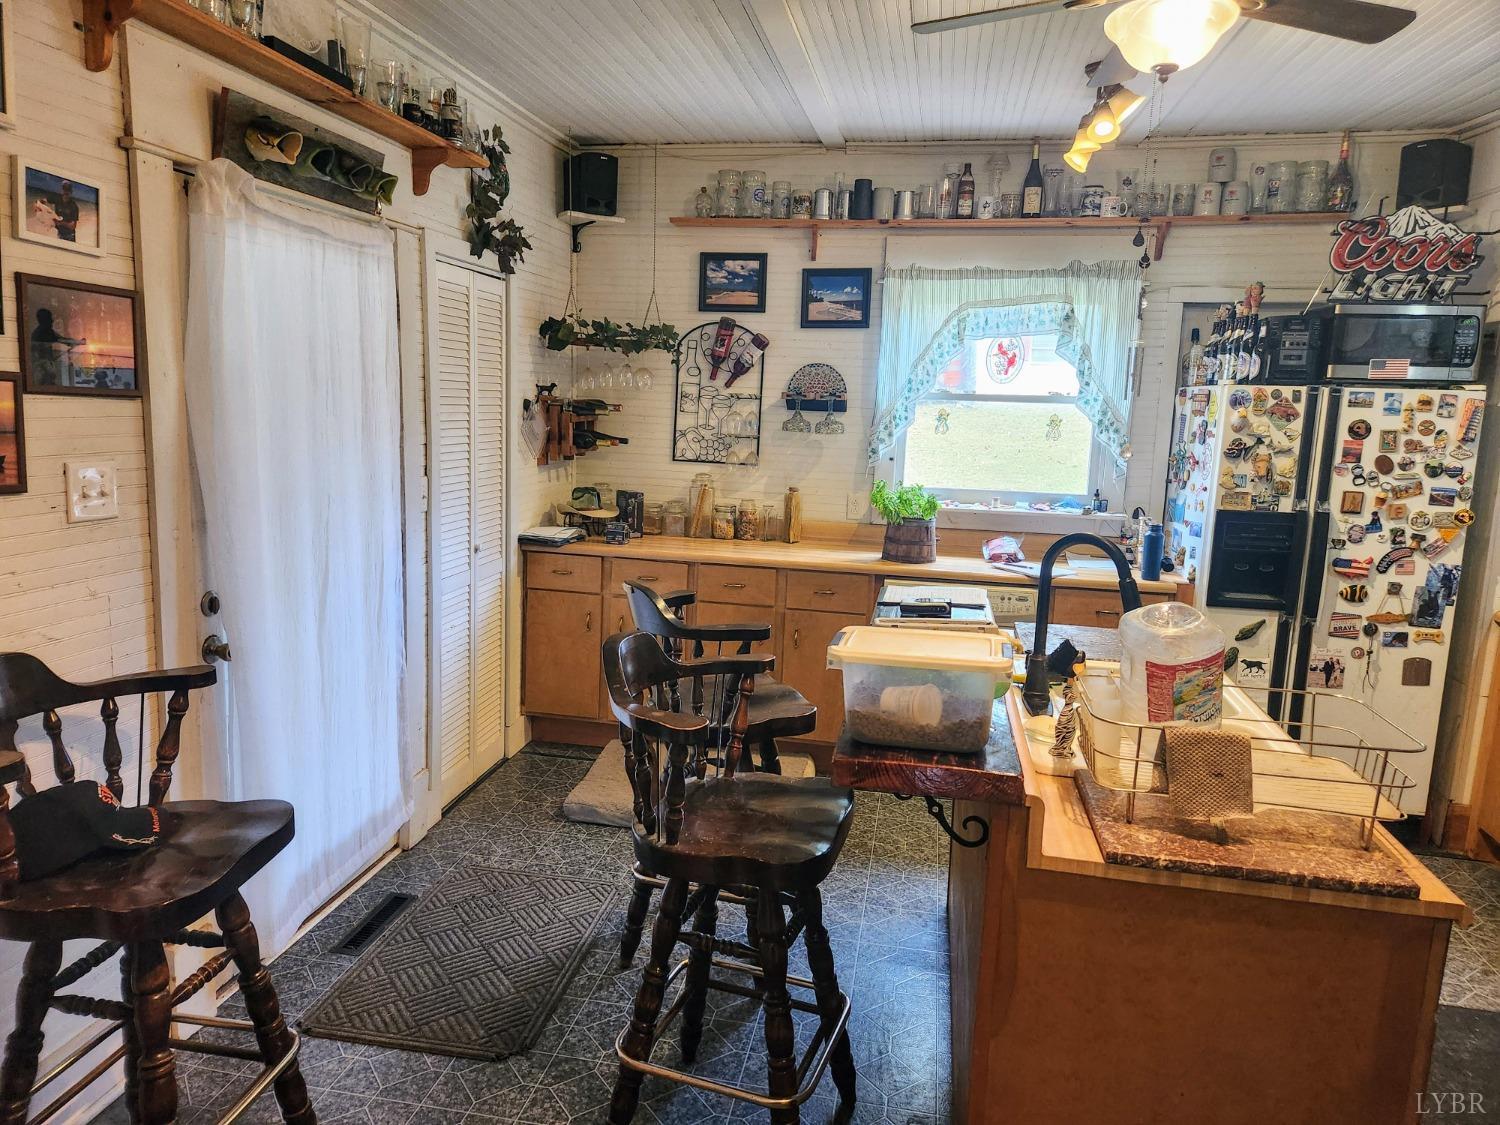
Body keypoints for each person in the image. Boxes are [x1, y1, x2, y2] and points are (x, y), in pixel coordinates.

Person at [29, 308, 86, 388]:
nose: (52, 321)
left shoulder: (39, 332)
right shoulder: (45, 332)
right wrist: (79, 342)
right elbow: (64, 340)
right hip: (44, 366)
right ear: (45, 319)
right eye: (50, 318)